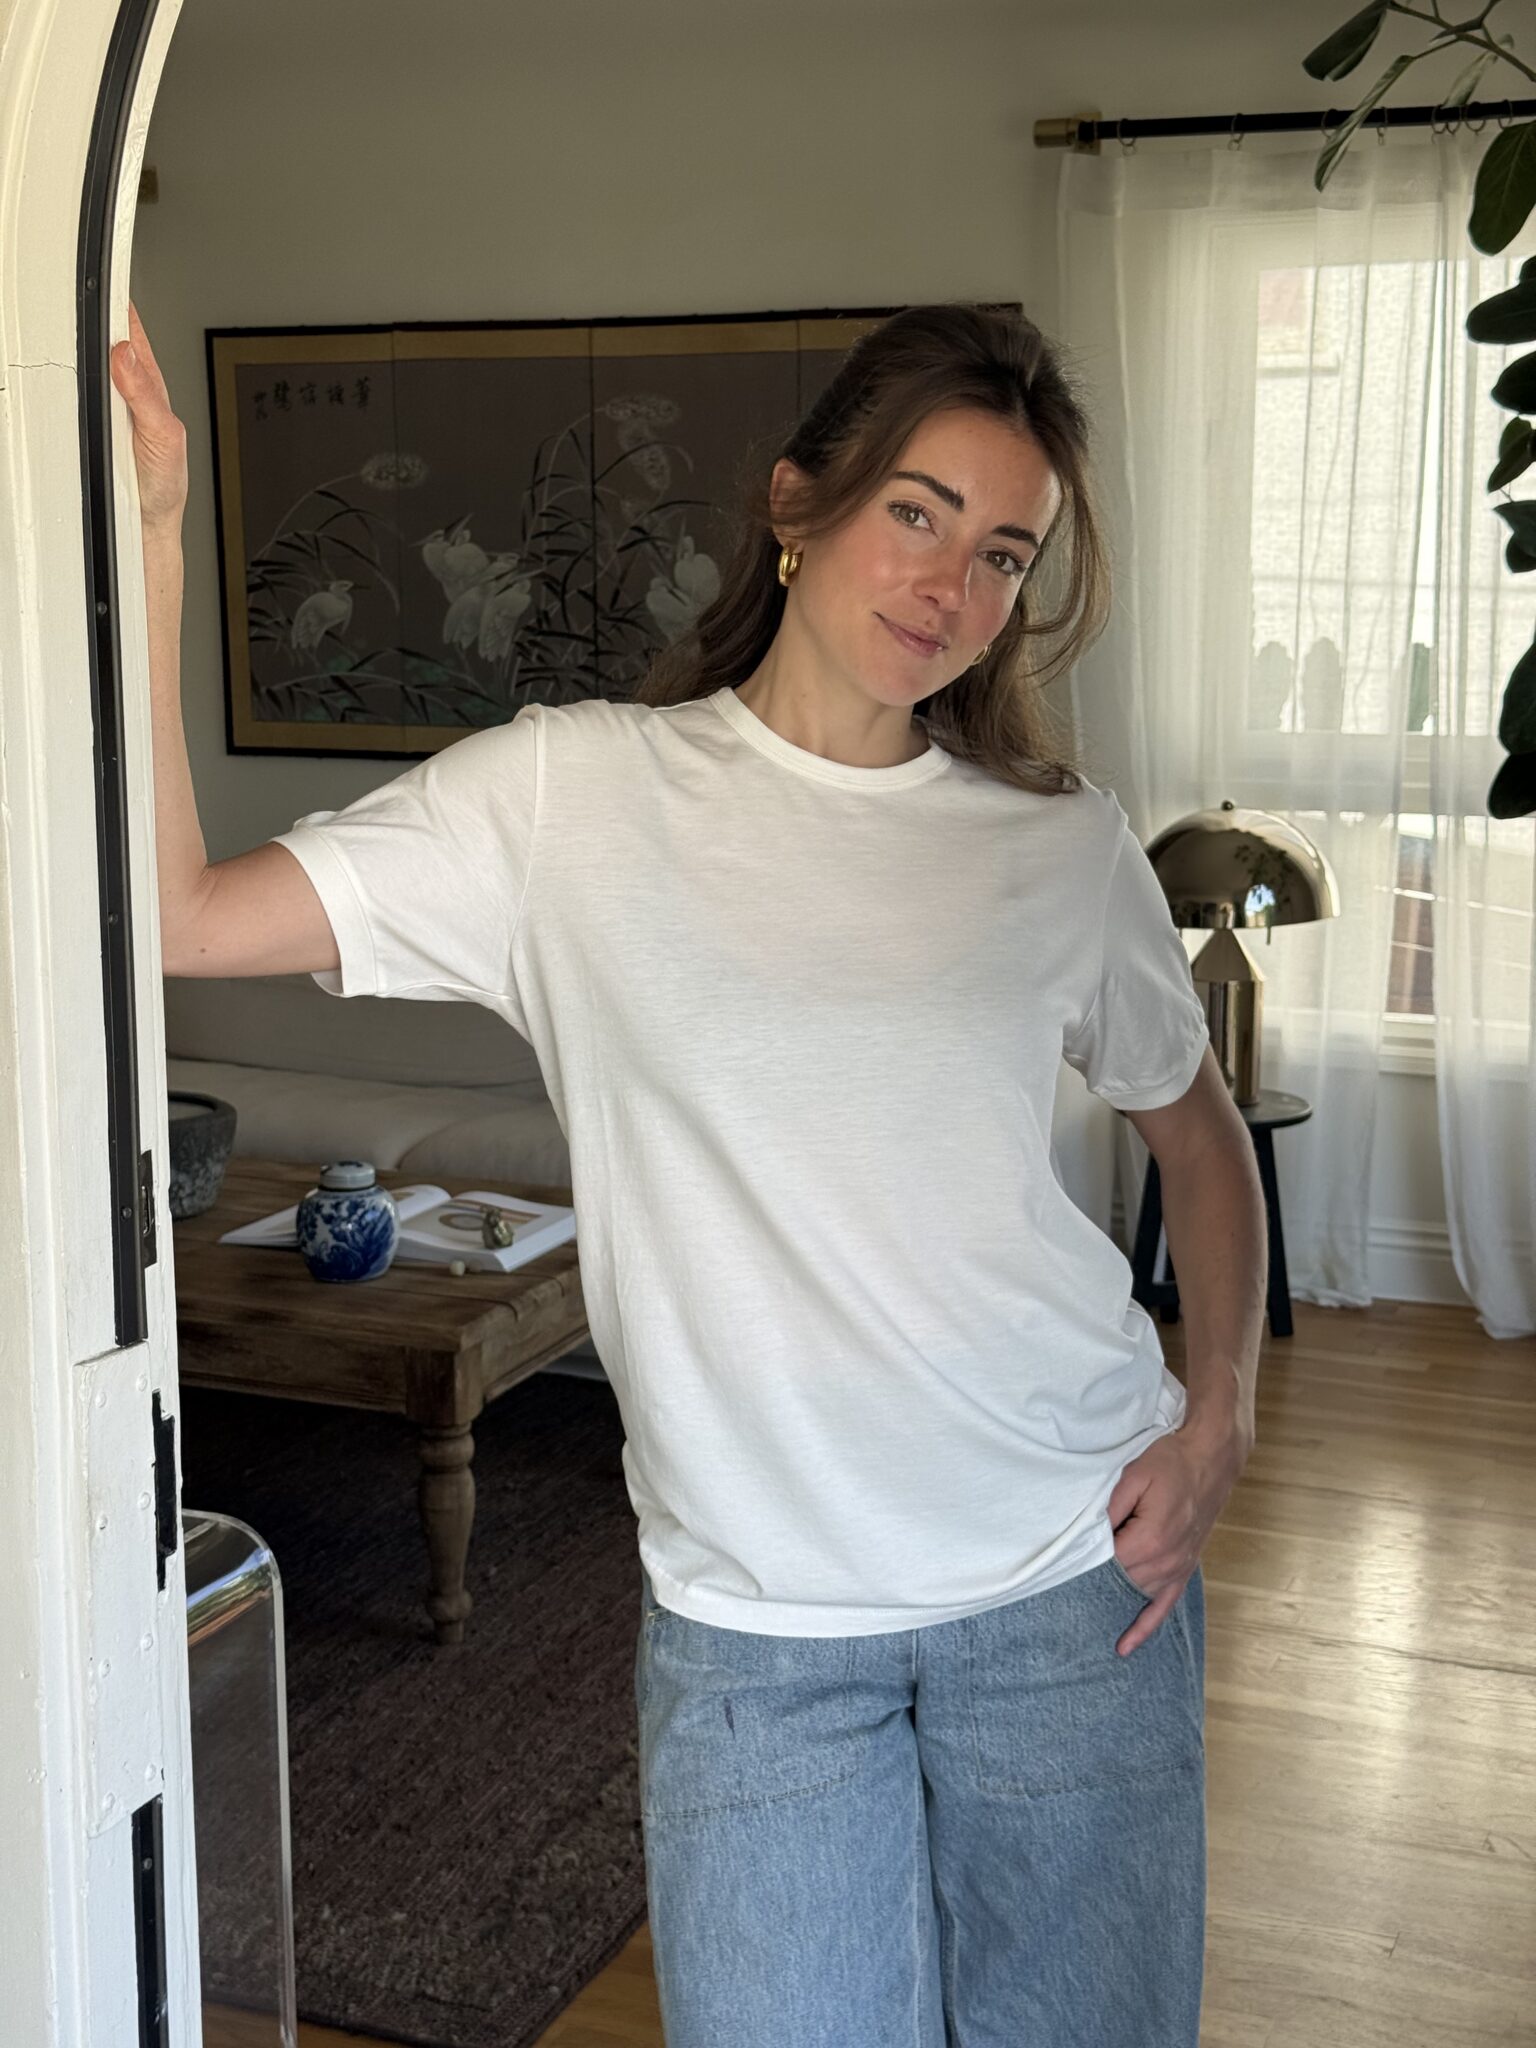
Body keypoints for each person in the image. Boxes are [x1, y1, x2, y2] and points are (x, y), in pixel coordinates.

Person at [112, 298, 1264, 2048]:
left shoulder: (1057, 845)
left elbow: (1198, 1134)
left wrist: (1222, 1415)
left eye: (1005, 552)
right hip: (754, 1644)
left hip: (1066, 1585)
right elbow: (182, 917)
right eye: (917, 512)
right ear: (796, 508)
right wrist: (152, 534)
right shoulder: (569, 802)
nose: (952, 586)